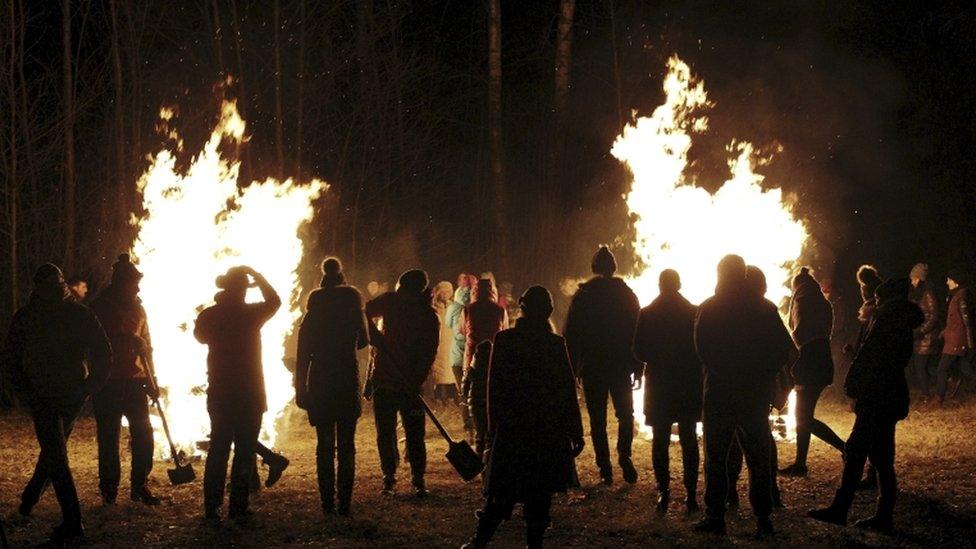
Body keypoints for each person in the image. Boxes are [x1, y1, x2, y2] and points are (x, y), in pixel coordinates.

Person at [461, 286, 584, 549]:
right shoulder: (554, 344)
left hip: (513, 430)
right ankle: (531, 545)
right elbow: (566, 391)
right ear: (548, 311)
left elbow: (494, 389)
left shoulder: (505, 341)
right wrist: (575, 431)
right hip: (546, 431)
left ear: (523, 309)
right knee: (539, 496)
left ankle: (478, 543)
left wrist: (493, 428)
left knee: (502, 493)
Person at [2, 264, 111, 544]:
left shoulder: (40, 314)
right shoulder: (60, 313)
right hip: (54, 392)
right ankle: (29, 500)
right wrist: (90, 385)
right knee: (54, 450)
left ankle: (73, 522)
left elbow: (102, 350)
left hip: (60, 393)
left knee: (55, 454)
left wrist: (90, 386)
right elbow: (11, 357)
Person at [808, 278, 923, 532]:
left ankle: (841, 509)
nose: (875, 302)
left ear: (887, 299)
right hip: (888, 394)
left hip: (877, 396)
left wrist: (853, 385)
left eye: (879, 299)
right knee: (881, 458)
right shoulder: (899, 320)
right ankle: (882, 516)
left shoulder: (886, 321)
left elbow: (870, 358)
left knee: (856, 450)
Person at [694, 255, 792, 537]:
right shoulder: (764, 308)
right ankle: (763, 518)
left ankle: (715, 516)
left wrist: (725, 372)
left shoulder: (709, 308)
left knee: (716, 457)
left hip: (720, 393)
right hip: (753, 394)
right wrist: (762, 373)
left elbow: (703, 351)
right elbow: (783, 350)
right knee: (758, 458)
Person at [194, 266, 281, 520]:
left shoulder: (210, 315)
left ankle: (212, 507)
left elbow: (200, 337)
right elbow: (275, 300)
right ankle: (238, 508)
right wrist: (259, 275)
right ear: (242, 289)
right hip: (250, 392)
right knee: (243, 452)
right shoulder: (251, 313)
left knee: (219, 449)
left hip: (220, 391)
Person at [295, 257, 369, 516]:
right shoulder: (352, 305)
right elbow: (363, 343)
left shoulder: (313, 312)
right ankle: (344, 504)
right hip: (346, 378)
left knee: (324, 444)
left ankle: (327, 503)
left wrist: (300, 389)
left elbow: (302, 354)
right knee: (347, 444)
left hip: (321, 379)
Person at [564, 245, 641, 485]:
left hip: (593, 366)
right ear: (613, 268)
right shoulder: (626, 293)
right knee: (625, 414)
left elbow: (571, 334)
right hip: (620, 364)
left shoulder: (584, 295)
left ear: (594, 268)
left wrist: (574, 366)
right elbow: (636, 331)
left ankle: (605, 466)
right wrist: (638, 366)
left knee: (597, 419)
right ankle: (624, 455)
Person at [89, 254, 160, 505]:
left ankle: (139, 484)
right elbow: (95, 340)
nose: (138, 287)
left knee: (144, 433)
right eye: (134, 282)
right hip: (108, 381)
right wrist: (127, 338)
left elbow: (147, 344)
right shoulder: (100, 307)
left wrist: (153, 380)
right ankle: (109, 489)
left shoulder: (139, 308)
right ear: (121, 282)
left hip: (135, 380)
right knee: (109, 436)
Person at [632, 269, 702, 513]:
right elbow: (699, 348)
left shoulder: (648, 313)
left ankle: (663, 491)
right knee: (689, 439)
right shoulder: (693, 312)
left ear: (660, 285)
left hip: (660, 384)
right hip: (687, 383)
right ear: (679, 284)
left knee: (660, 440)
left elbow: (639, 351)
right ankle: (691, 494)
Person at [365, 269, 440, 497]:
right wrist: (373, 335)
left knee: (415, 434)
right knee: (385, 432)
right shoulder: (390, 302)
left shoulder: (428, 316)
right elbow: (363, 313)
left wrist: (415, 380)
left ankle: (418, 477)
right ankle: (389, 475)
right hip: (385, 380)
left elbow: (429, 353)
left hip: (409, 384)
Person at [725, 266, 788, 510]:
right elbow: (784, 350)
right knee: (761, 444)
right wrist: (768, 373)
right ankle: (769, 497)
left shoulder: (726, 307)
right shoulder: (766, 308)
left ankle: (731, 495)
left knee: (733, 444)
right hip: (757, 388)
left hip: (731, 385)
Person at [779, 267, 845, 476]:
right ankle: (800, 463)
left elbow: (799, 332)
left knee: (804, 417)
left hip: (809, 362)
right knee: (803, 416)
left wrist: (792, 356)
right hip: (822, 360)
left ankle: (845, 448)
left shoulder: (802, 300)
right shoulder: (822, 302)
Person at [934, 269, 975, 405]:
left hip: (956, 340)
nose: (947, 282)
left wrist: (969, 342)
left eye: (949, 279)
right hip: (954, 337)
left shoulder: (960, 297)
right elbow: (955, 320)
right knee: (964, 367)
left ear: (955, 282)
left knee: (942, 368)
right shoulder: (955, 296)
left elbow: (966, 321)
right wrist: (944, 332)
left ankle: (939, 397)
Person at [448, 274, 477, 435]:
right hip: (476, 356)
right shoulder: (486, 309)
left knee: (463, 390)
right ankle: (475, 421)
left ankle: (467, 421)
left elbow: (452, 327)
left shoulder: (454, 307)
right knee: (476, 390)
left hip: (459, 356)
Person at [908, 263, 940, 398]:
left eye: (914, 279)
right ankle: (947, 379)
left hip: (925, 338)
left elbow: (934, 315)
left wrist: (921, 331)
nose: (912, 281)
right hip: (918, 336)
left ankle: (927, 395)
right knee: (922, 367)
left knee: (920, 367)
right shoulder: (917, 294)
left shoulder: (927, 293)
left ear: (919, 278)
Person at [463, 278, 508, 369]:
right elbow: (504, 332)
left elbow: (463, 330)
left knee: (471, 381)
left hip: (472, 354)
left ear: (475, 291)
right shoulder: (500, 310)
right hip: (493, 355)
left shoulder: (468, 309)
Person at [462, 340, 492, 458]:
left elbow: (465, 388)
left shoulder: (472, 370)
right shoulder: (493, 370)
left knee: (479, 433)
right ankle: (488, 459)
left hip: (475, 404)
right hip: (489, 405)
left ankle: (479, 458)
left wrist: (469, 398)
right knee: (489, 433)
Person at [430, 281, 458, 406]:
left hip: (450, 340)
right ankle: (438, 397)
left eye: (449, 291)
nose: (446, 294)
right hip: (438, 342)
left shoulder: (453, 306)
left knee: (449, 369)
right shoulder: (433, 307)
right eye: (444, 291)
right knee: (438, 371)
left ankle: (450, 396)